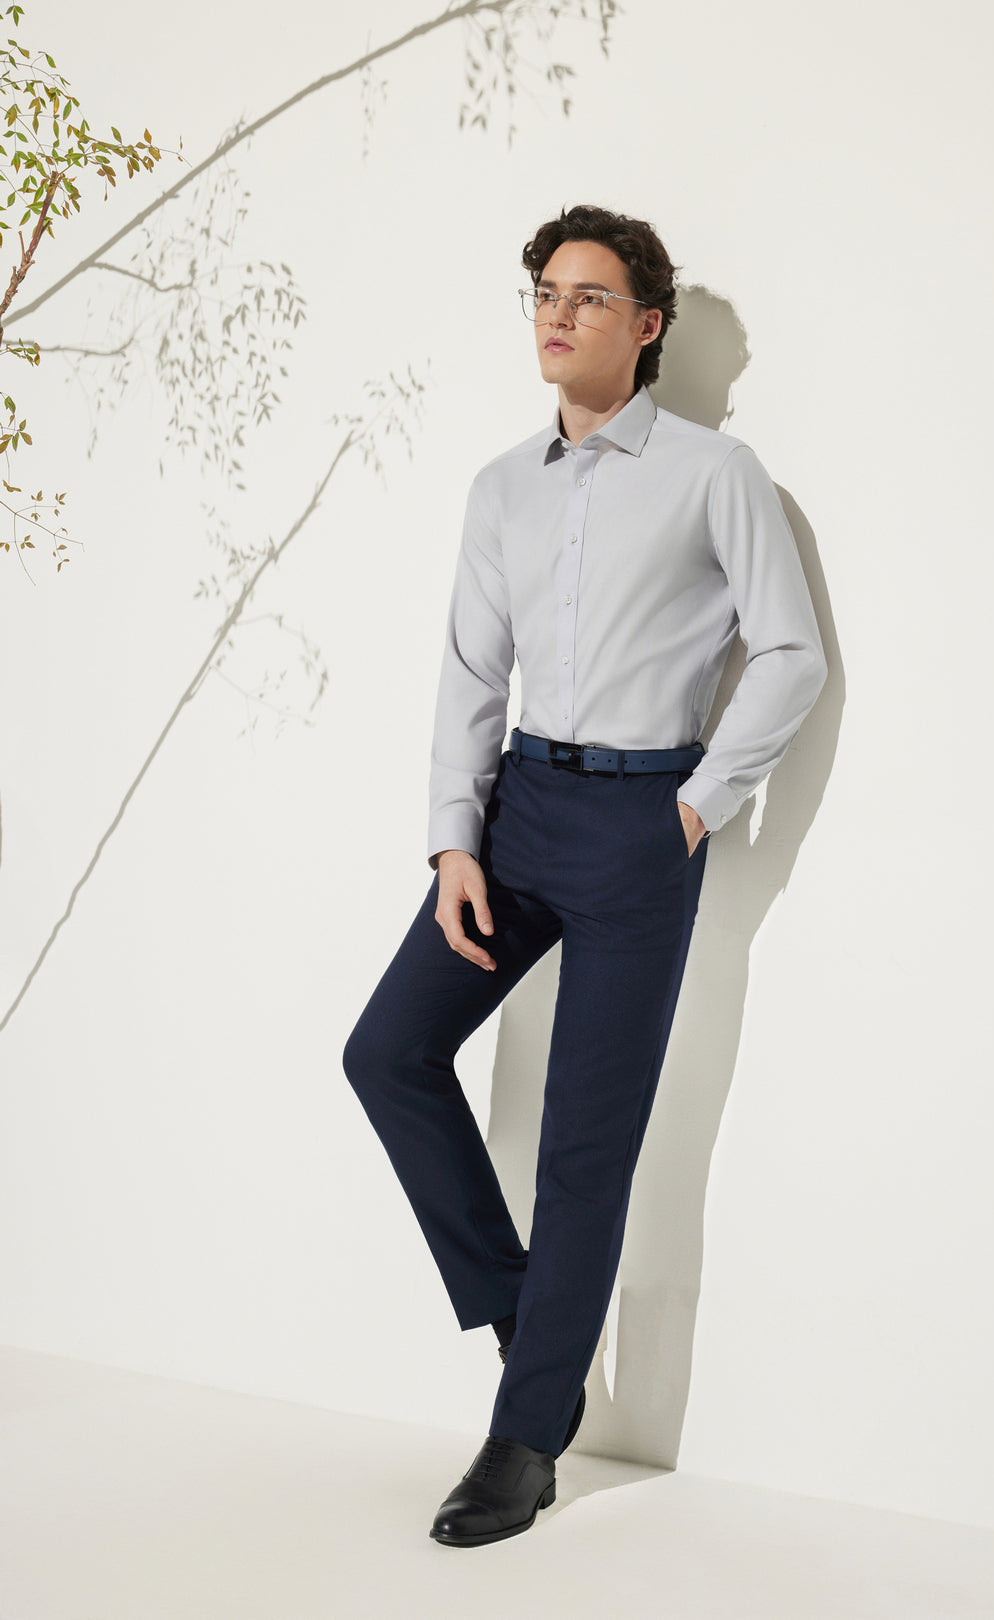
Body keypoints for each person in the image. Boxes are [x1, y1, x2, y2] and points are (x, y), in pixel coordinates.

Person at [342, 202, 828, 1548]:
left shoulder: (715, 474)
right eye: (545, 295)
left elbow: (790, 652)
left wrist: (697, 808)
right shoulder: (501, 487)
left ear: (648, 325)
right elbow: (468, 670)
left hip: (640, 828)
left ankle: (526, 1441)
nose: (558, 316)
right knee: (388, 1053)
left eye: (590, 297)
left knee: (584, 1146)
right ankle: (527, 1315)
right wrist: (454, 839)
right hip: (518, 815)